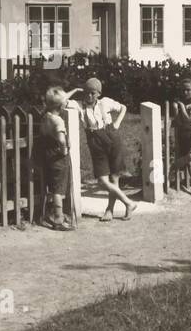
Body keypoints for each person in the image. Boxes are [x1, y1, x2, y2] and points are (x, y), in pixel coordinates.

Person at [67, 77, 138, 221]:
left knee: (114, 178)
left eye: (93, 93)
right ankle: (128, 202)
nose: (89, 96)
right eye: (87, 92)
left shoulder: (105, 102)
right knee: (102, 180)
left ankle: (110, 211)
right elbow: (61, 101)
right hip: (95, 142)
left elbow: (123, 107)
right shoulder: (79, 105)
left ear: (98, 93)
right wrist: (75, 90)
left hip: (112, 138)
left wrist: (117, 123)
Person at [38, 86, 74, 231]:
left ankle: (52, 213)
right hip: (58, 157)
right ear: (61, 105)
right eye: (66, 101)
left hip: (48, 154)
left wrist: (75, 90)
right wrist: (64, 148)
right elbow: (60, 138)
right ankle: (58, 218)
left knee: (52, 185)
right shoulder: (58, 121)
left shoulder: (46, 116)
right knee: (59, 188)